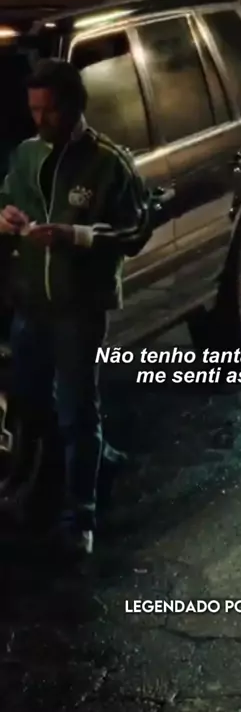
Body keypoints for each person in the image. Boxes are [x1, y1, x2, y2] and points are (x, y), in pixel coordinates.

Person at [0, 58, 149, 555]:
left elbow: (136, 231)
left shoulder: (109, 162)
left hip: (79, 309)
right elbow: (6, 199)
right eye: (33, 110)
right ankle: (51, 487)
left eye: (49, 110)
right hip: (30, 306)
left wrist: (75, 235)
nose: (39, 119)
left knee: (76, 411)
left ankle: (81, 514)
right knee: (30, 405)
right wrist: (6, 217)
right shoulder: (26, 155)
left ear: (73, 106)